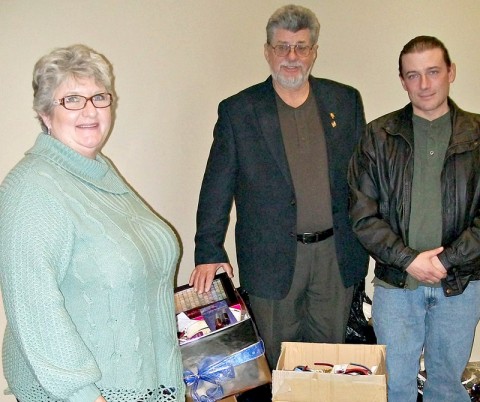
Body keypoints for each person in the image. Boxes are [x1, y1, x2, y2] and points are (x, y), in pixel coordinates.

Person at [0, 44, 185, 402]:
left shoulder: (99, 172)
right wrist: (83, 395)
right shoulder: (32, 188)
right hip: (85, 395)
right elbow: (34, 308)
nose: (90, 110)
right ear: (44, 113)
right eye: (72, 99)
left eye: (99, 97)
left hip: (143, 382)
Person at [190, 4, 369, 369]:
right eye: (282, 47)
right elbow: (217, 185)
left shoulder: (345, 101)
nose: (291, 57)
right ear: (267, 51)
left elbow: (364, 179)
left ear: (314, 52)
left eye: (301, 47)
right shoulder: (239, 111)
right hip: (271, 259)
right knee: (278, 364)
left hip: (335, 257)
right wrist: (208, 249)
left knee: (328, 366)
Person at [348, 36, 480, 402]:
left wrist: (444, 260)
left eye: (433, 72)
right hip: (396, 285)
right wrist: (409, 260)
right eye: (414, 75)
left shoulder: (477, 136)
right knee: (394, 388)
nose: (424, 84)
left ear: (450, 72)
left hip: (462, 284)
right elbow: (362, 214)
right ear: (402, 80)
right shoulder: (378, 136)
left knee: (447, 388)